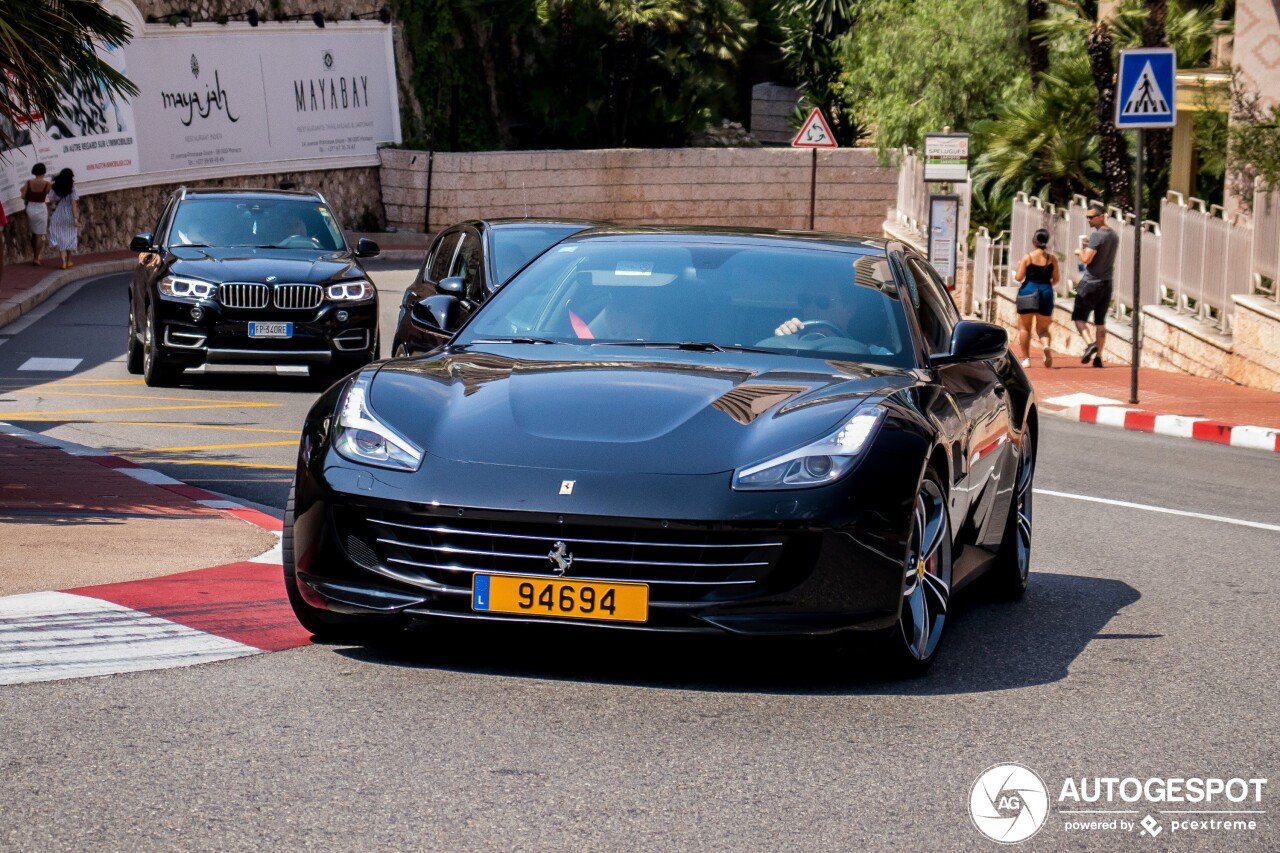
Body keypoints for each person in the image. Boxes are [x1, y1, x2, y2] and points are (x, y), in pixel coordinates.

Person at [1073, 202, 1118, 368]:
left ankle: (1089, 343)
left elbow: (1086, 259)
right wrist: (1088, 247)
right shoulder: (1113, 235)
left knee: (1078, 318)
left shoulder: (1097, 236)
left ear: (1101, 216)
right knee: (1100, 321)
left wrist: (1080, 252)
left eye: (1091, 217)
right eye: (1087, 217)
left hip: (1091, 283)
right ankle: (1099, 356)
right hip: (1107, 283)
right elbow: (1101, 254)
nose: (1088, 220)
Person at [1013, 228, 1059, 368]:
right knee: (1043, 329)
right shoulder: (1052, 259)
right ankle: (1045, 346)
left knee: (1025, 328)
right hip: (1045, 291)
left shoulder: (1028, 257)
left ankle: (1026, 359)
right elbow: (1056, 279)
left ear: (1034, 241)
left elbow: (1019, 277)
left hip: (1028, 291)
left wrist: (1018, 268)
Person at [47, 168, 79, 270]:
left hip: (58, 213)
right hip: (69, 213)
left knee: (60, 238)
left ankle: (63, 262)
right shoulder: (73, 188)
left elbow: (52, 198)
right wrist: (75, 218)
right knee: (70, 236)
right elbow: (74, 203)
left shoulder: (55, 187)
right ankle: (69, 260)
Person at [19, 163, 51, 266]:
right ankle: (37, 257)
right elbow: (52, 194)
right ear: (44, 171)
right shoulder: (47, 184)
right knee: (40, 233)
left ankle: (34, 255)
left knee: (33, 233)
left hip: (31, 207)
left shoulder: (29, 183)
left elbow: (23, 195)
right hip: (41, 207)